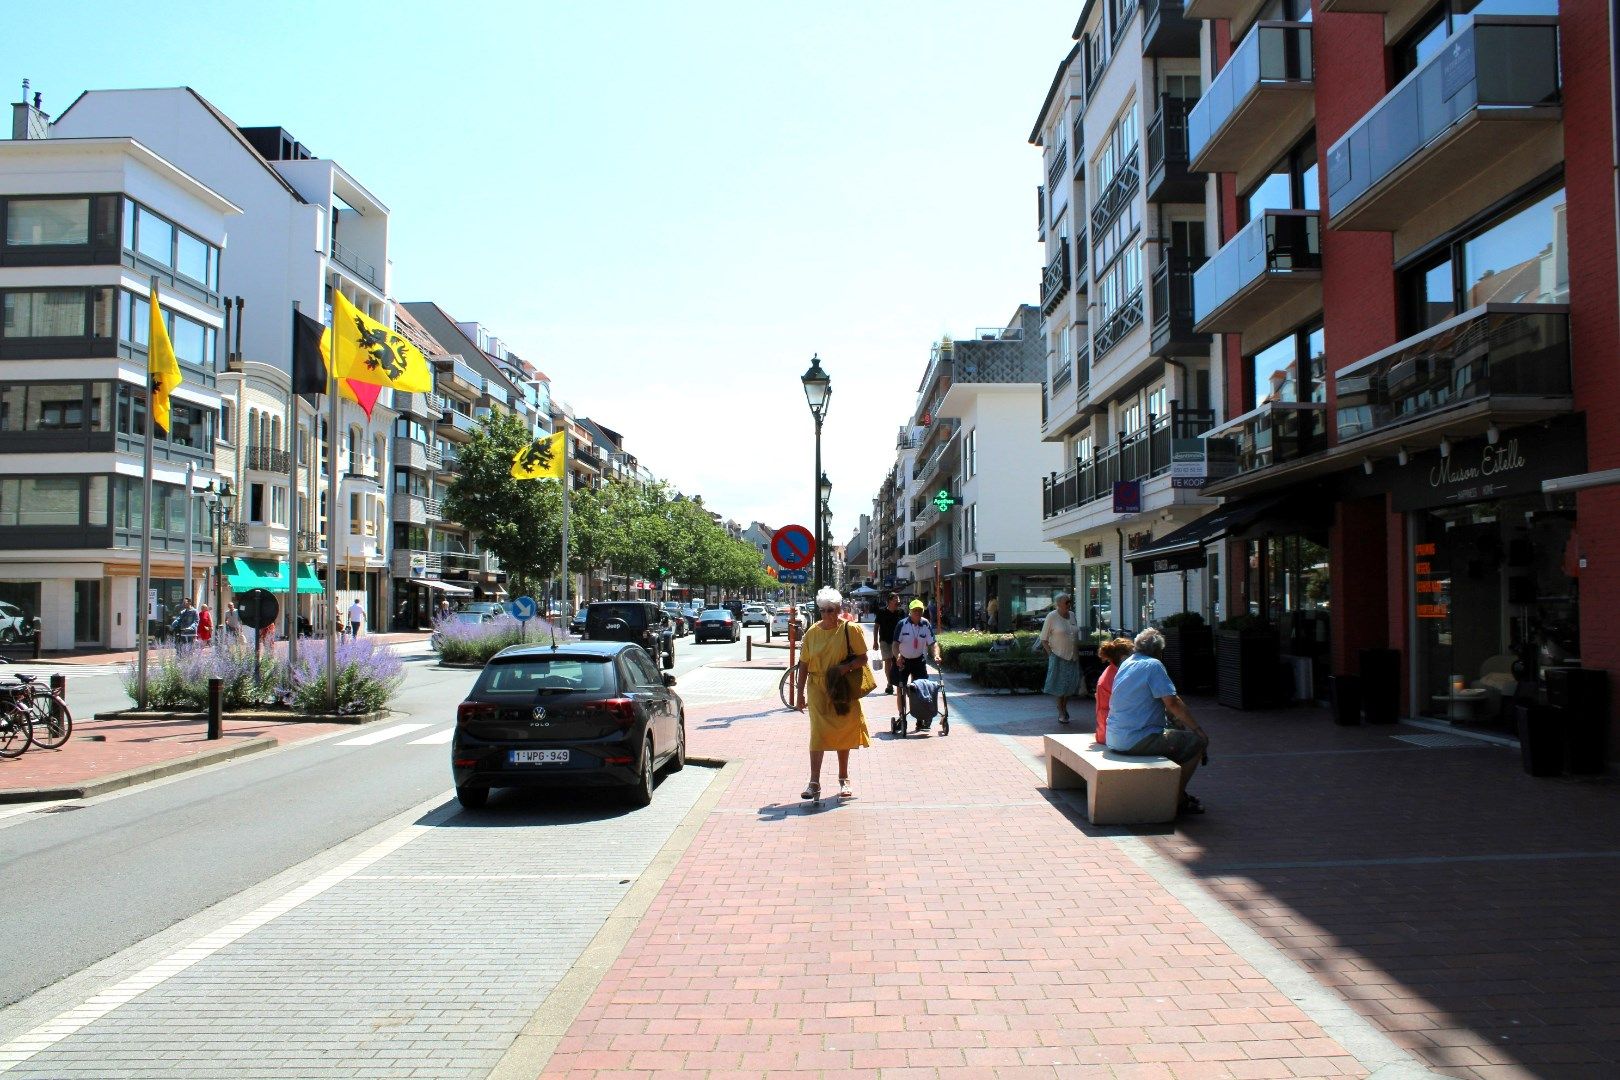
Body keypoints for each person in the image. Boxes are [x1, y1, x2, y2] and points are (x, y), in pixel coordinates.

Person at [1106, 627, 1210, 816]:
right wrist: (1197, 729)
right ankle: (1177, 799)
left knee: (1174, 737)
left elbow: (1152, 701)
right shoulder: (1153, 665)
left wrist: (1173, 720)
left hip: (1115, 736)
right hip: (1136, 738)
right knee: (1196, 742)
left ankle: (1175, 791)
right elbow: (1172, 702)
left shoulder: (1127, 663)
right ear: (1158, 651)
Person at [792, 586, 871, 802]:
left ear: (838, 609)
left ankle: (844, 777)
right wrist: (799, 693)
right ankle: (814, 782)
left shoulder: (850, 629)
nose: (827, 614)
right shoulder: (812, 633)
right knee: (818, 732)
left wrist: (844, 668)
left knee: (844, 730)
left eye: (831, 609)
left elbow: (863, 658)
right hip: (817, 687)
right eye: (823, 610)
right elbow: (804, 664)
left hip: (841, 687)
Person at [894, 599, 940, 733]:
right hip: (903, 660)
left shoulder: (925, 624)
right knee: (901, 689)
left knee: (922, 689)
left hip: (918, 660)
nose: (918, 613)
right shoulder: (902, 624)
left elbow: (933, 643)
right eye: (915, 611)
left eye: (920, 611)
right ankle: (902, 715)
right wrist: (897, 656)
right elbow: (895, 644)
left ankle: (922, 718)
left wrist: (936, 655)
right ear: (910, 611)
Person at [1036, 594, 1082, 724]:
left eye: (1069, 601)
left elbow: (1074, 636)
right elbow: (1043, 638)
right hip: (1058, 655)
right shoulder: (1052, 616)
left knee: (1069, 685)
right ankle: (1061, 711)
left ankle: (1064, 706)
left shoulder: (1072, 615)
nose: (1069, 604)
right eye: (1066, 602)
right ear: (1059, 604)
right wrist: (1051, 653)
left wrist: (1077, 654)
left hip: (1072, 655)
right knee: (1059, 685)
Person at [1093, 636, 1135, 746]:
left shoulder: (1111, 672)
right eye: (1132, 656)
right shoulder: (1119, 677)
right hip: (1112, 734)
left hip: (1104, 732)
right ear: (1123, 658)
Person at [873, 593, 903, 693]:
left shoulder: (901, 612)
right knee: (888, 662)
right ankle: (890, 684)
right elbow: (876, 626)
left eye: (898, 598)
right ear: (889, 601)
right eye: (895, 598)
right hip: (885, 641)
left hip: (898, 642)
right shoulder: (882, 612)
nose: (898, 600)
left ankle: (899, 682)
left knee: (898, 662)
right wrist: (875, 641)